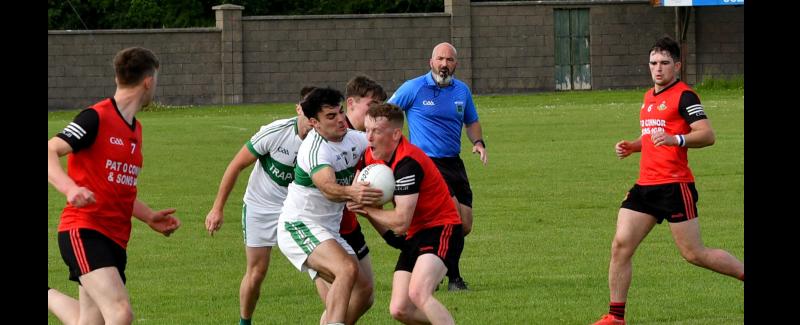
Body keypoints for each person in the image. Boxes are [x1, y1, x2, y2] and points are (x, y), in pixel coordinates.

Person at [592, 36, 744, 325]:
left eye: (664, 63)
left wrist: (677, 138)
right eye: (653, 63)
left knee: (694, 253)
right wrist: (634, 145)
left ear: (677, 65)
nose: (657, 69)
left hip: (675, 187)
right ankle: (615, 317)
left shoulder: (686, 96)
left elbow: (707, 134)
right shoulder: (649, 98)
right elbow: (653, 135)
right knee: (620, 245)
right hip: (645, 186)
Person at [47, 47, 181, 325]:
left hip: (115, 238)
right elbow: (50, 150)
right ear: (148, 81)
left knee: (89, 321)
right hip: (84, 231)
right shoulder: (94, 117)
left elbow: (117, 187)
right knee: (120, 313)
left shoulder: (135, 129)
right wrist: (70, 189)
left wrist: (149, 217)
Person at [204, 87, 315, 325]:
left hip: (299, 209)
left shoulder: (323, 140)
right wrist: (217, 208)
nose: (311, 121)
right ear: (298, 109)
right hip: (260, 206)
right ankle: (245, 323)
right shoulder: (275, 132)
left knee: (322, 268)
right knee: (257, 272)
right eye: (307, 113)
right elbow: (236, 165)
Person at [348, 103, 464, 325]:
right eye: (367, 130)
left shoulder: (408, 163)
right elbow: (357, 196)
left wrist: (367, 209)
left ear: (395, 134)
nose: (368, 138)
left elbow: (401, 222)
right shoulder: (369, 156)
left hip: (441, 228)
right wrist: (360, 203)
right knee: (399, 309)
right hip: (416, 233)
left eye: (376, 131)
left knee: (419, 293)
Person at [276, 87, 383, 325]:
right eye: (331, 117)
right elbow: (327, 187)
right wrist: (352, 192)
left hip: (328, 230)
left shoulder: (355, 139)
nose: (341, 120)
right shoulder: (315, 149)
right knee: (345, 269)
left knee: (363, 292)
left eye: (341, 112)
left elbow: (382, 153)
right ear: (314, 122)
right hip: (299, 225)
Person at [387, 42, 486, 291]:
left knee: (464, 225)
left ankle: (432, 266)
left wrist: (479, 142)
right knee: (451, 220)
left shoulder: (462, 91)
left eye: (449, 60)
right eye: (440, 59)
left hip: (454, 162)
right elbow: (387, 114)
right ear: (431, 62)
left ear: (456, 64)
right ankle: (454, 278)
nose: (444, 64)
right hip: (427, 164)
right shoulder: (414, 88)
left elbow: (471, 121)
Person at [313, 75, 389, 324]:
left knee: (364, 296)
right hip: (321, 228)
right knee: (339, 303)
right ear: (352, 103)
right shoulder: (327, 134)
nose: (377, 110)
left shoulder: (365, 138)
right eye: (372, 104)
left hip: (349, 226)